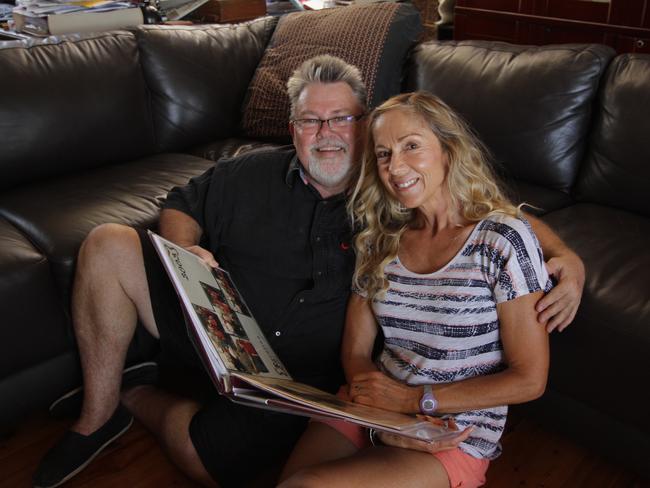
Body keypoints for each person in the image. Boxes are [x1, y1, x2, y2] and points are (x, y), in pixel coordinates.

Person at [33, 56, 583, 488]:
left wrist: (571, 259)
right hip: (228, 335)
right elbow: (181, 201)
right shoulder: (276, 184)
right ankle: (97, 415)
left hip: (309, 383)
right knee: (107, 241)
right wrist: (188, 253)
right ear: (292, 128)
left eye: (341, 117)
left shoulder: (388, 201)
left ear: (362, 124)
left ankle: (134, 391)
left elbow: (490, 214)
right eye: (310, 120)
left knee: (216, 466)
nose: (327, 132)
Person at [278, 91, 555, 488]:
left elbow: (530, 379)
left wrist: (412, 403)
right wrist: (385, 416)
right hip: (373, 406)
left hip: (452, 432)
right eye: (384, 154)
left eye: (411, 146)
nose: (396, 166)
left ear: (448, 149)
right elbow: (356, 352)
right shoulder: (380, 240)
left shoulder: (501, 239)